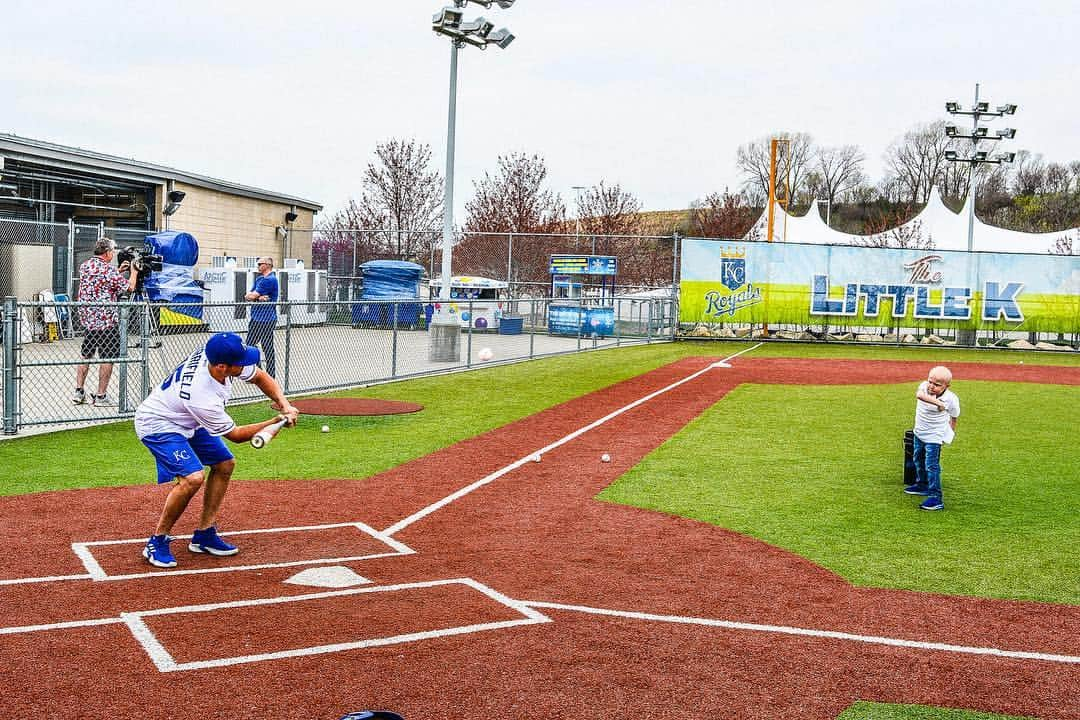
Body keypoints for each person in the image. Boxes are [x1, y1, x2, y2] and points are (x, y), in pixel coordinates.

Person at [135, 332, 299, 568]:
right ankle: (157, 541)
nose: (245, 364)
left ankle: (204, 535)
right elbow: (236, 435)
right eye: (239, 362)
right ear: (222, 367)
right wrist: (274, 422)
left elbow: (261, 377)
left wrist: (285, 405)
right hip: (159, 423)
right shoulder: (201, 396)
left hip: (187, 419)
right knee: (192, 478)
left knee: (224, 464)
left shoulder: (218, 359)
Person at [73, 238, 138, 407]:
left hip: (89, 320)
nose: (114, 253)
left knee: (86, 354)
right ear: (108, 252)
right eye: (113, 251)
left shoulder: (86, 266)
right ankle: (101, 396)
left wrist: (117, 270)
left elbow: (99, 283)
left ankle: (79, 391)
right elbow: (129, 287)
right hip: (106, 321)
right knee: (107, 357)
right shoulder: (108, 271)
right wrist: (134, 271)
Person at [904, 365, 960, 511]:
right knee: (917, 458)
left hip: (935, 437)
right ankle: (922, 484)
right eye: (930, 381)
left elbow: (954, 417)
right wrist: (939, 403)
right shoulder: (923, 387)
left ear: (947, 386)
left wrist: (948, 436)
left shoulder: (952, 399)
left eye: (937, 385)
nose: (931, 386)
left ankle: (936, 497)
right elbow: (919, 396)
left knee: (932, 466)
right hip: (919, 433)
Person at [245, 256, 279, 376]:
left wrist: (255, 296)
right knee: (250, 345)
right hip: (256, 317)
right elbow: (248, 296)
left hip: (266, 319)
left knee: (266, 346)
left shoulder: (269, 280)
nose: (258, 266)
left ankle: (269, 375)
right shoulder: (259, 279)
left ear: (267, 265)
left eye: (260, 264)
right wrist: (258, 297)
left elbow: (252, 296)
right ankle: (258, 372)